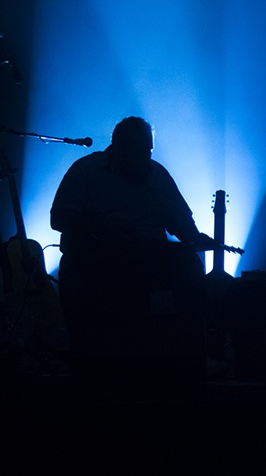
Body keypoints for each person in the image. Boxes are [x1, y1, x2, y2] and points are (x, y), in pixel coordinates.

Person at [51, 116, 219, 393]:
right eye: (138, 151)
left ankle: (187, 361)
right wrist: (104, 229)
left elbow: (181, 222)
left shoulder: (158, 175)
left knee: (187, 264)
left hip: (148, 260)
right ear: (116, 148)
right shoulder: (87, 171)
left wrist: (196, 240)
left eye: (148, 151)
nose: (144, 158)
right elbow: (59, 218)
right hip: (97, 260)